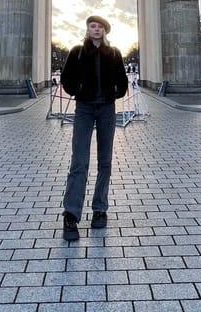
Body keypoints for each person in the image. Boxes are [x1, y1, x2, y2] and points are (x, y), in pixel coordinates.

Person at [60, 15, 128, 242]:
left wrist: (114, 93)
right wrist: (77, 89)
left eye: (99, 27)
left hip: (107, 108)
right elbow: (66, 78)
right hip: (84, 109)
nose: (96, 29)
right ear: (88, 29)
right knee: (79, 161)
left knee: (105, 161)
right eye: (92, 26)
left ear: (105, 31)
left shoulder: (115, 53)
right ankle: (71, 214)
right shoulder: (77, 51)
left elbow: (123, 81)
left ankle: (100, 209)